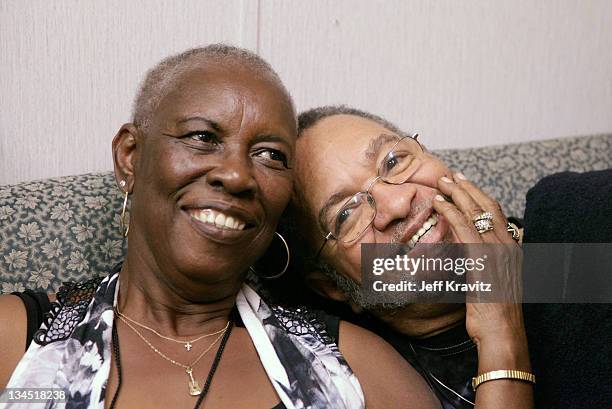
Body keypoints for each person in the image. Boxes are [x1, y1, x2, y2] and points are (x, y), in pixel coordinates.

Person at [0, 48, 440, 409]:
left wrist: (500, 320)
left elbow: (456, 280)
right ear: (130, 156)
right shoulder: (16, 341)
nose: (236, 176)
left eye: (269, 154)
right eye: (203, 137)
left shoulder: (359, 359)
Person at [281, 105, 535, 408]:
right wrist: (501, 340)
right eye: (347, 214)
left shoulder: (575, 222)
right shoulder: (371, 385)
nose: (399, 202)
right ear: (332, 286)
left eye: (393, 161)